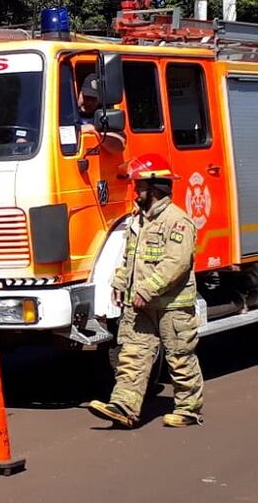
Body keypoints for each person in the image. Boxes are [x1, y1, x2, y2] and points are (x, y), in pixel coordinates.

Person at [88, 153, 203, 428]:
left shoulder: (177, 221)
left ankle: (188, 409)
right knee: (132, 354)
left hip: (171, 307)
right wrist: (118, 284)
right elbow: (129, 258)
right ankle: (124, 407)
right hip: (140, 304)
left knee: (180, 357)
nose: (134, 190)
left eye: (138, 186)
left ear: (154, 188)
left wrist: (147, 289)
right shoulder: (138, 221)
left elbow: (176, 263)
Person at [78, 72, 125, 154]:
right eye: (86, 97)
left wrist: (95, 131)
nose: (88, 102)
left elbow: (119, 146)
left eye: (93, 99)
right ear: (79, 92)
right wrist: (77, 130)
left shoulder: (105, 117)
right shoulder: (63, 112)